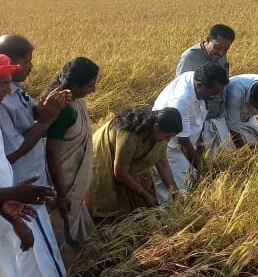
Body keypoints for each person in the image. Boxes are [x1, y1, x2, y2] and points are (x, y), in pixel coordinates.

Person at [0, 35, 68, 277]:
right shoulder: (2, 102)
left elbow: (30, 119)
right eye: (26, 63)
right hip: (17, 193)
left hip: (20, 194)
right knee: (30, 263)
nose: (31, 67)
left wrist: (45, 110)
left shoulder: (14, 90)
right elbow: (13, 151)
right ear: (11, 65)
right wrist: (46, 121)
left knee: (35, 258)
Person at [45, 57, 99, 268]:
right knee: (61, 241)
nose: (93, 90)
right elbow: (52, 152)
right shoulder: (63, 108)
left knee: (83, 241)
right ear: (74, 85)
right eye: (89, 85)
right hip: (63, 187)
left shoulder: (77, 101)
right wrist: (61, 193)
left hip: (73, 190)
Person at [86, 107, 182, 220]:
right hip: (103, 156)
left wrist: (175, 192)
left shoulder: (160, 136)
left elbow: (162, 164)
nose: (168, 141)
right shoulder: (129, 136)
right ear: (156, 127)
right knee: (108, 206)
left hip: (122, 164)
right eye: (167, 136)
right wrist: (145, 195)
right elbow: (120, 173)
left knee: (132, 204)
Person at [153, 63, 229, 201]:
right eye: (211, 94)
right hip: (169, 146)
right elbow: (182, 142)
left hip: (185, 142)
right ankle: (166, 216)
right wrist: (203, 168)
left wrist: (199, 146)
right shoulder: (181, 101)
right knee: (174, 189)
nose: (212, 97)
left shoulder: (197, 79)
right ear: (199, 85)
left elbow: (197, 120)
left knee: (191, 182)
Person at [176, 24, 235, 155]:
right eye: (217, 47)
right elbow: (181, 89)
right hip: (199, 121)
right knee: (199, 159)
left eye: (226, 49)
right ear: (208, 40)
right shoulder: (190, 58)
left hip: (218, 117)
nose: (221, 53)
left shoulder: (221, 55)